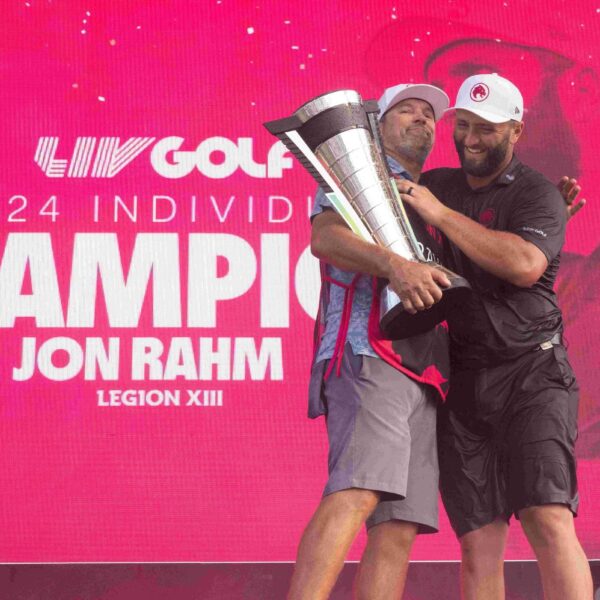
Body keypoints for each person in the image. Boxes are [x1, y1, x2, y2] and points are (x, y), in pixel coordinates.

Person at [396, 73, 593, 600]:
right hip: (464, 384)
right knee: (479, 543)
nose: (471, 138)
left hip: (535, 376)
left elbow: (525, 264)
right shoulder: (437, 182)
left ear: (516, 131)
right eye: (462, 125)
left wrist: (439, 213)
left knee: (548, 520)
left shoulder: (536, 194)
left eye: (486, 128)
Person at [287, 83, 453, 600]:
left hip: (423, 370)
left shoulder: (433, 199)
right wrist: (395, 266)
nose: (422, 120)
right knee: (357, 490)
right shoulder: (357, 175)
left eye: (430, 116)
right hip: (367, 351)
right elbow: (326, 239)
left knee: (399, 524)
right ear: (378, 124)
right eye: (408, 110)